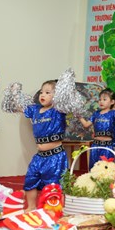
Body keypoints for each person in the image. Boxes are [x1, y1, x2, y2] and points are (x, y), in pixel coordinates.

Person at [23, 80, 68, 210]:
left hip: (55, 156)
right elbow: (20, 107)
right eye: (41, 92)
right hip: (40, 156)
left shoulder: (58, 110)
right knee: (30, 179)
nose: (43, 95)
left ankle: (54, 209)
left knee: (53, 185)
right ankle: (31, 207)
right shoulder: (35, 110)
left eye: (48, 92)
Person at [77, 88, 115, 169]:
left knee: (106, 169)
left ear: (112, 102)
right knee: (94, 168)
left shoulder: (114, 113)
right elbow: (86, 125)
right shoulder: (96, 114)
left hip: (107, 147)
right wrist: (79, 116)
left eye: (104, 99)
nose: (101, 101)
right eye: (100, 99)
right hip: (95, 146)